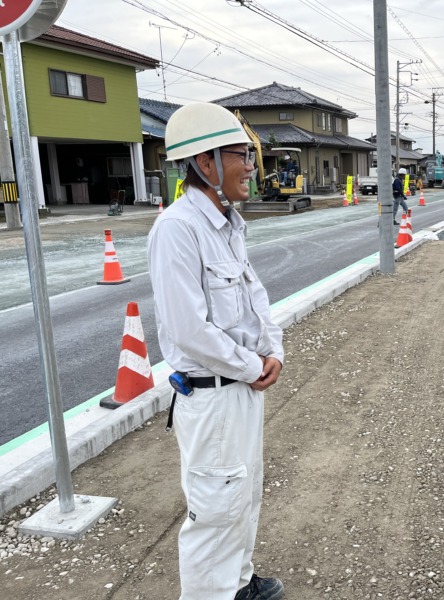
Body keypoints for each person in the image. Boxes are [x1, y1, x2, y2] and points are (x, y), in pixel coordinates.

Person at [148, 102, 285, 600]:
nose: (250, 166)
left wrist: (274, 351)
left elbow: (254, 295)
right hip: (212, 395)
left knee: (244, 495)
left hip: (242, 388)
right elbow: (189, 330)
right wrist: (253, 366)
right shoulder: (178, 228)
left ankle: (240, 583)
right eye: (241, 155)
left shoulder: (228, 221)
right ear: (205, 163)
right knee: (215, 508)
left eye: (250, 155)